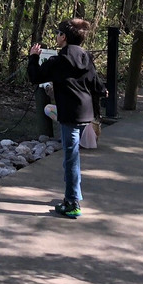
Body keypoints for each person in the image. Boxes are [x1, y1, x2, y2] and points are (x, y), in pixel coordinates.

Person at [28, 18, 106, 219]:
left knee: (71, 158)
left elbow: (35, 77)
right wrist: (102, 90)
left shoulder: (58, 60)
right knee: (71, 156)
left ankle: (72, 202)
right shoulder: (86, 57)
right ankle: (72, 195)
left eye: (57, 32)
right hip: (85, 113)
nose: (56, 36)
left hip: (69, 114)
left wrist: (33, 57)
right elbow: (94, 81)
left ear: (63, 37)